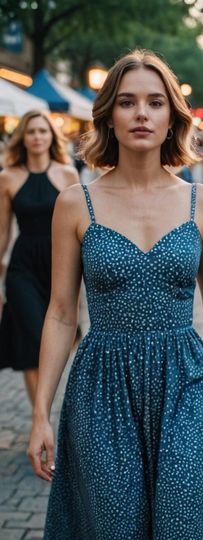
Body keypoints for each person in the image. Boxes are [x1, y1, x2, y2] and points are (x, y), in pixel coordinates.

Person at [27, 50, 203, 539]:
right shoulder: (75, 203)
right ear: (109, 117)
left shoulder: (201, 204)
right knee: (114, 527)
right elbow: (60, 314)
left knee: (182, 523)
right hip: (101, 388)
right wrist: (40, 415)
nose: (141, 113)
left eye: (155, 102)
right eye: (127, 102)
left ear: (171, 118)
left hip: (186, 383)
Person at [0, 110, 79, 405]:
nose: (37, 137)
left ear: (51, 137)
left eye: (43, 131)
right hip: (22, 268)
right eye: (31, 131)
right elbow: (2, 232)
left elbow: (78, 227)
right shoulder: (7, 178)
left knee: (52, 342)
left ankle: (40, 415)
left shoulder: (67, 173)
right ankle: (40, 417)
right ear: (23, 137)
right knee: (32, 340)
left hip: (59, 264)